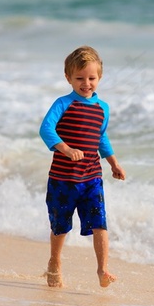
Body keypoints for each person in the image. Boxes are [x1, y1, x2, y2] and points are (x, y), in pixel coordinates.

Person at [39, 45, 126, 288]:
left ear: (100, 77)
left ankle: (103, 270)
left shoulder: (102, 108)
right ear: (68, 78)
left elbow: (101, 137)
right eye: (79, 78)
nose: (86, 83)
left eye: (91, 78)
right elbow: (46, 129)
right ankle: (54, 262)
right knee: (60, 226)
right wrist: (65, 149)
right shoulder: (63, 103)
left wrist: (113, 163)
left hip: (92, 178)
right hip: (63, 179)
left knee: (100, 223)